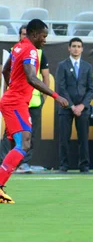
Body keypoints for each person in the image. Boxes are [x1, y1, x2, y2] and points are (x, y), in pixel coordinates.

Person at [0, 19, 70, 204]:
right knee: (24, 143)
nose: (45, 40)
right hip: (15, 103)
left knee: (18, 143)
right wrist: (56, 96)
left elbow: (6, 70)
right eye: (43, 36)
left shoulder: (18, 47)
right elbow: (32, 78)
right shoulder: (30, 50)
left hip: (15, 101)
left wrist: (11, 87)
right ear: (34, 34)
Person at [0, 26, 49, 174]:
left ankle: (23, 164)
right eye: (22, 34)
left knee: (27, 137)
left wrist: (43, 97)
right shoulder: (16, 49)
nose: (24, 37)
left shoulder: (39, 52)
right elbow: (8, 72)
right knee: (13, 137)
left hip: (32, 102)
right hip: (16, 101)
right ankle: (5, 165)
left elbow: (45, 76)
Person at [55, 38, 93, 173]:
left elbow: (91, 89)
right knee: (64, 139)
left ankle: (84, 166)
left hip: (83, 109)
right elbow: (61, 87)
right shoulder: (62, 65)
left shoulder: (87, 66)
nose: (76, 49)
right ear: (69, 48)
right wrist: (72, 106)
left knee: (83, 139)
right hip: (66, 108)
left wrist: (82, 105)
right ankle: (63, 165)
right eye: (73, 46)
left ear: (82, 49)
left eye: (79, 46)